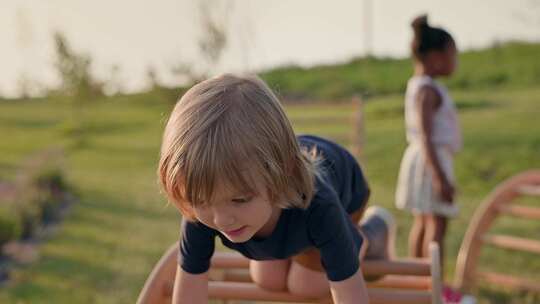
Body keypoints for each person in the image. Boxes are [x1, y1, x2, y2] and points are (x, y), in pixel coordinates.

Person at [158, 74, 395, 303]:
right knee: (268, 279)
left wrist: (347, 252)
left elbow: (349, 294)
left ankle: (370, 233)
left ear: (283, 172)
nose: (222, 220)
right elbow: (190, 286)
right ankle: (293, 250)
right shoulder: (206, 191)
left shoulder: (320, 207)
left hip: (345, 190)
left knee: (305, 285)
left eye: (240, 200)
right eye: (201, 201)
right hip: (278, 208)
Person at [395, 14, 463, 303]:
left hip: (423, 158)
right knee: (437, 225)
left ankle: (418, 281)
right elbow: (425, 134)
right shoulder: (428, 89)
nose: (455, 62)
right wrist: (440, 177)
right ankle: (433, 284)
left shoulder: (420, 84)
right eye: (452, 55)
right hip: (430, 161)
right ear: (435, 58)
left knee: (423, 221)